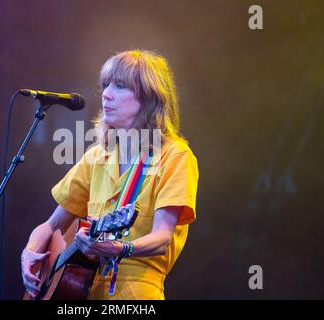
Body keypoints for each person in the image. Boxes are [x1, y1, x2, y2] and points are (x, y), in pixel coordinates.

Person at [21, 49, 199, 300]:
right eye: (105, 85)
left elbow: (162, 238)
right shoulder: (96, 156)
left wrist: (119, 248)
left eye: (120, 86)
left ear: (150, 97)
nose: (105, 94)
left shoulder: (174, 155)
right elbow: (51, 226)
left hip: (135, 293)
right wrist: (29, 252)